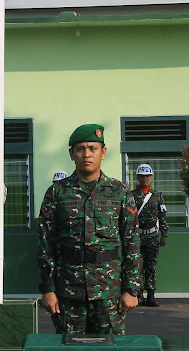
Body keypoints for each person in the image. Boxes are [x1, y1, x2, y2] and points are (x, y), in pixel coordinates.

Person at [37, 124, 142, 335]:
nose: (87, 154)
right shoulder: (56, 193)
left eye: (93, 148)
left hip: (108, 290)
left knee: (110, 348)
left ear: (103, 152)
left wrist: (131, 290)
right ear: (71, 154)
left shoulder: (119, 192)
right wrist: (48, 288)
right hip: (68, 290)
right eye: (80, 149)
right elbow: (45, 243)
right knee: (69, 347)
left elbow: (132, 243)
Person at [131, 163, 168, 307]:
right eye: (142, 176)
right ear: (138, 178)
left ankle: (151, 296)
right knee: (137, 266)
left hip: (152, 236)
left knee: (151, 266)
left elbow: (162, 216)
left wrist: (164, 234)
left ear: (151, 178)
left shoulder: (157, 196)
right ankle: (139, 295)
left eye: (147, 176)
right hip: (137, 236)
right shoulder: (132, 195)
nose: (144, 179)